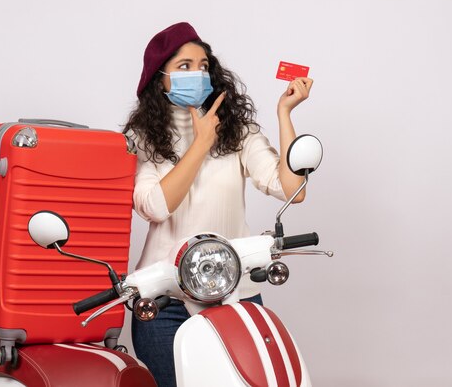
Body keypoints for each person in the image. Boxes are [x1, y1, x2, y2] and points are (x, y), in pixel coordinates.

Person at [123, 21, 313, 387]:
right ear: (159, 79)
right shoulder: (141, 139)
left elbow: (292, 189)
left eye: (203, 65)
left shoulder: (237, 132)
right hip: (164, 299)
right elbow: (155, 206)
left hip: (235, 291)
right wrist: (199, 144)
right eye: (184, 67)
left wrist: (285, 114)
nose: (197, 73)